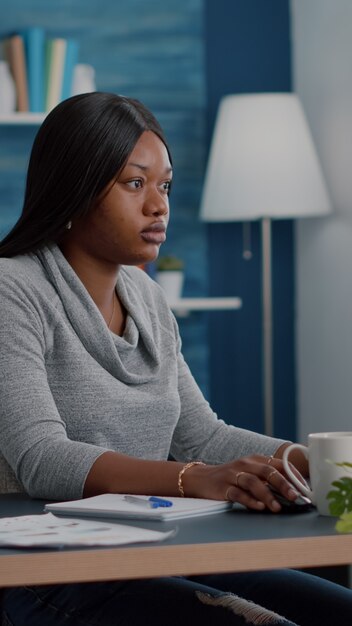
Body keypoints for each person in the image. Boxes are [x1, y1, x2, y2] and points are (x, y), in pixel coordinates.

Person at [0, 92, 351, 626]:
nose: (159, 205)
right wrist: (197, 478)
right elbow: (42, 456)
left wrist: (321, 466)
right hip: (43, 574)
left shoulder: (146, 296)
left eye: (164, 185)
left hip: (155, 551)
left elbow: (203, 437)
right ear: (74, 188)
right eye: (135, 183)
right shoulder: (13, 290)